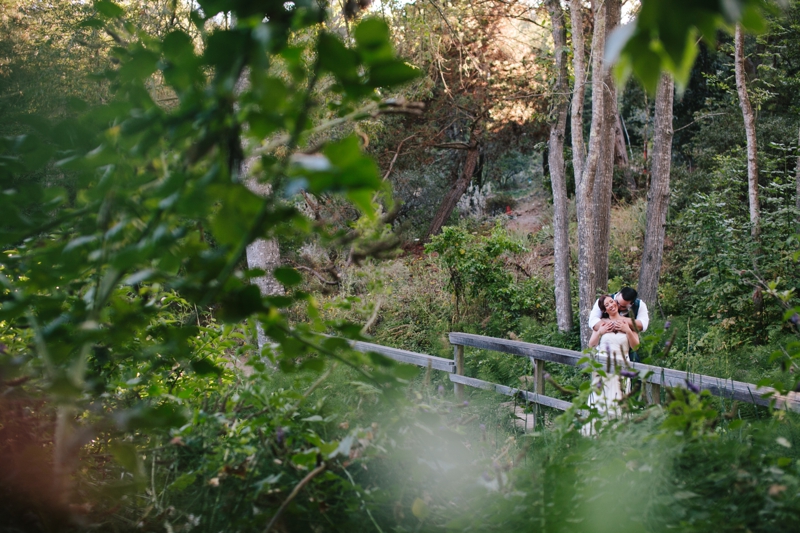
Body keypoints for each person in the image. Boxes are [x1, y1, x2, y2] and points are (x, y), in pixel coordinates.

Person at [582, 295, 640, 436]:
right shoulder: (602, 323)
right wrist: (600, 332)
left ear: (617, 304)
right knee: (600, 397)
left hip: (621, 365)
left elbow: (636, 346)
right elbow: (591, 344)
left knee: (618, 397)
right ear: (605, 310)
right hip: (603, 366)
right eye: (607, 305)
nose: (611, 305)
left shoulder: (628, 322)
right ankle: (596, 433)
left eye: (612, 302)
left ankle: (617, 434)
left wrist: (627, 330)